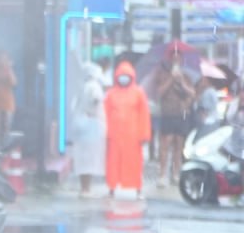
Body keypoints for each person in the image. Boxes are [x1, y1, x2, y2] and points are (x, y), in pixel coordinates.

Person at [104, 61, 151, 198]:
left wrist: (145, 135)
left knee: (134, 164)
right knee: (113, 164)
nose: (123, 78)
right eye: (121, 75)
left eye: (126, 75)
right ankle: (111, 188)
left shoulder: (138, 93)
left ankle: (137, 189)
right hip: (114, 136)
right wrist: (105, 133)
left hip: (133, 137)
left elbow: (144, 115)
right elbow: (105, 113)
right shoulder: (111, 94)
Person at [152, 56, 196, 187]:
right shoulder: (163, 75)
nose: (176, 62)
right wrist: (171, 79)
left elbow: (192, 94)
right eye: (174, 59)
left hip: (181, 115)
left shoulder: (186, 77)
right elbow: (159, 93)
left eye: (178, 59)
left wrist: (181, 82)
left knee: (179, 146)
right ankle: (162, 174)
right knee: (165, 146)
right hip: (167, 115)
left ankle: (175, 173)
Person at [72, 62, 108, 197]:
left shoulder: (82, 86)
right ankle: (86, 188)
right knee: (89, 159)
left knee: (82, 159)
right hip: (91, 125)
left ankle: (83, 187)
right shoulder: (94, 87)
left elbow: (73, 106)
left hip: (81, 124)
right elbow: (96, 99)